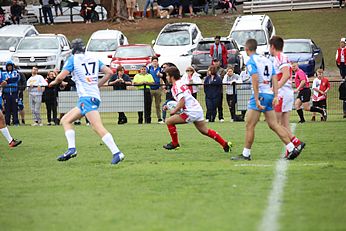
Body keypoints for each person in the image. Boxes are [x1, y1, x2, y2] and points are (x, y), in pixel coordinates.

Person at [48, 38, 125, 165]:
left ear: (73, 50)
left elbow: (61, 76)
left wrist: (54, 82)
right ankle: (71, 149)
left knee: (97, 127)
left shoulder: (73, 59)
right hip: (90, 97)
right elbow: (109, 72)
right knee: (65, 120)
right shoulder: (93, 58)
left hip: (87, 98)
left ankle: (117, 152)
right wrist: (97, 85)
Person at [231, 39, 303, 161]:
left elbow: (254, 78)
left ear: (247, 50)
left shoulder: (251, 61)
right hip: (269, 94)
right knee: (274, 124)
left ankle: (246, 154)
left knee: (249, 124)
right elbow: (274, 77)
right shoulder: (267, 60)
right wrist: (275, 95)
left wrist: (256, 98)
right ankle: (292, 148)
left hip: (260, 95)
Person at [162, 66, 232, 152]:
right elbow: (182, 99)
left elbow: (182, 101)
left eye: (167, 75)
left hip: (190, 111)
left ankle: (175, 144)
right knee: (204, 131)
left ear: (172, 77)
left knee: (169, 121)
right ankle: (225, 144)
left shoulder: (176, 86)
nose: (166, 77)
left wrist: (174, 111)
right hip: (197, 109)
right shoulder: (181, 83)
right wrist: (169, 106)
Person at [269, 36, 311, 151]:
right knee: (284, 125)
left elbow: (286, 74)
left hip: (282, 94)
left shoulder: (279, 57)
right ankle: (291, 148)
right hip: (286, 93)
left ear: (273, 46)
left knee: (275, 124)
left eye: (269, 46)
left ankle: (295, 143)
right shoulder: (284, 57)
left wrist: (275, 89)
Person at [1, 61, 20, 126]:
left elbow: (16, 79)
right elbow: (2, 82)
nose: (9, 67)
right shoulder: (3, 74)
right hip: (6, 93)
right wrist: (5, 81)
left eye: (10, 66)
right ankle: (7, 122)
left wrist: (7, 81)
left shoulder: (15, 72)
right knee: (7, 109)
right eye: (8, 66)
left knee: (15, 108)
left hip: (14, 93)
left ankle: (16, 122)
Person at [147, 56, 163, 123]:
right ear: (151, 62)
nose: (155, 63)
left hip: (157, 88)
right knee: (149, 104)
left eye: (156, 61)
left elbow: (163, 76)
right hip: (150, 88)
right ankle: (148, 119)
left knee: (157, 105)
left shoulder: (160, 69)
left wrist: (160, 75)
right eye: (153, 61)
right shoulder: (149, 68)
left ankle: (159, 118)